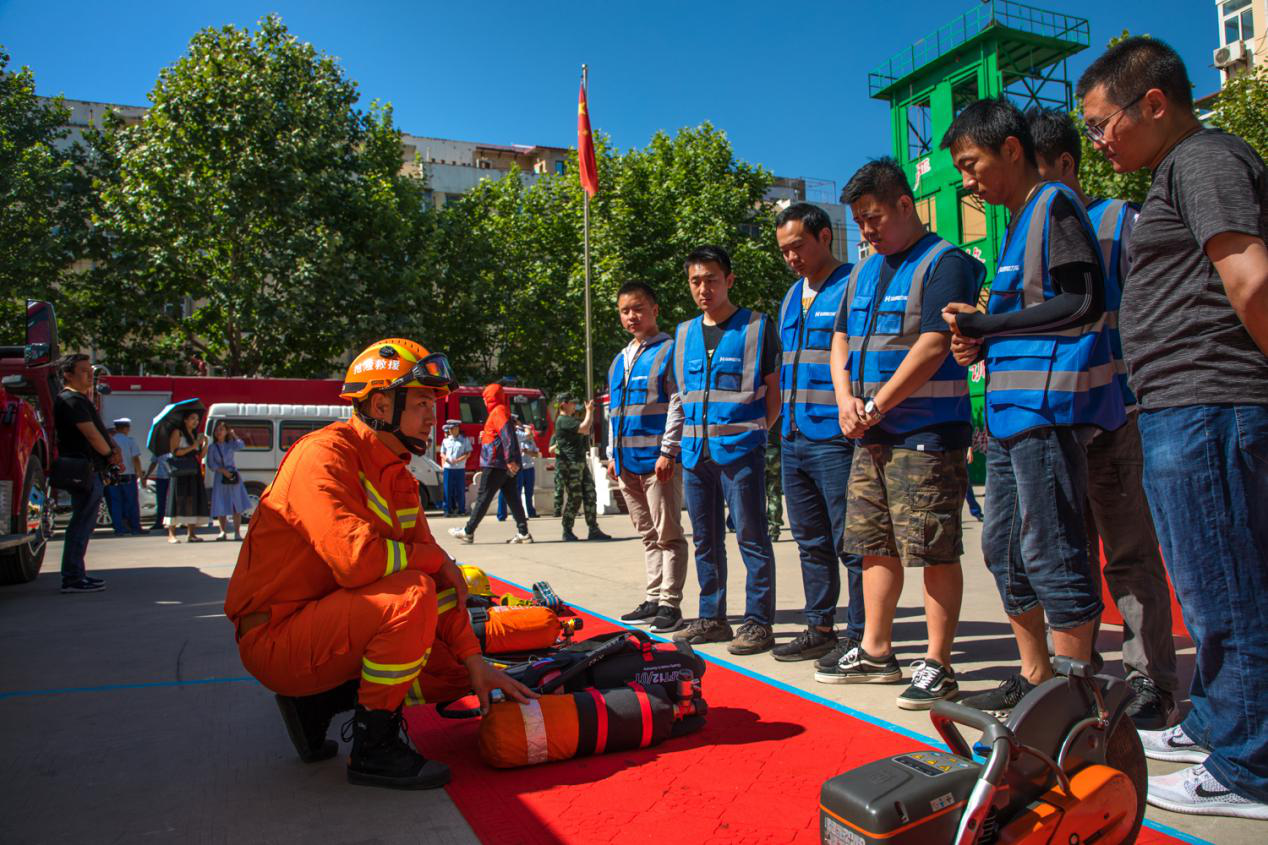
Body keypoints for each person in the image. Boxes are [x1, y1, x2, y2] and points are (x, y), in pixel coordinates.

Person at [1078, 38, 1268, 820]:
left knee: (1227, 591)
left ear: (1152, 103)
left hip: (1210, 403)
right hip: (1183, 409)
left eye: (1100, 123)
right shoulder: (1175, 171)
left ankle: (1250, 769)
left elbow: (1250, 274)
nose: (1097, 140)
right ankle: (1221, 726)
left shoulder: (1203, 159)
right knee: (1211, 581)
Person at [224, 338, 534, 789]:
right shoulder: (324, 456)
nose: (434, 414)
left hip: (327, 623)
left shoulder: (397, 475)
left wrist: (474, 660)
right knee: (410, 596)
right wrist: (434, 559)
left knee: (453, 668)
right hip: (276, 635)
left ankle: (317, 704)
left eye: (435, 401)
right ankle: (374, 746)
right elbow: (358, 562)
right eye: (423, 401)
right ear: (382, 402)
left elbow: (438, 578)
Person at [940, 97, 1126, 717]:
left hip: (1047, 411)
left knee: (1053, 546)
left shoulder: (1053, 203)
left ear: (1011, 150)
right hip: (1013, 416)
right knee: (1004, 548)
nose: (967, 181)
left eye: (972, 164)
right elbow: (1023, 320)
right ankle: (1037, 676)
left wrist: (989, 324)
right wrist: (979, 338)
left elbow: (1081, 301)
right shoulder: (1018, 222)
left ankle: (1075, 692)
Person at [1025, 106, 1180, 731]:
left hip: (1116, 416)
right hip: (1054, 424)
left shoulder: (1121, 222)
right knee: (1067, 557)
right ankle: (1079, 680)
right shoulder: (1028, 234)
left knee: (1130, 555)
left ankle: (1150, 682)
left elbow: (1157, 308)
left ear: (1066, 165)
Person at [819, 160, 984, 711]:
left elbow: (936, 342)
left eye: (873, 218)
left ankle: (938, 663)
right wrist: (847, 403)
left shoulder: (947, 263)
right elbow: (840, 337)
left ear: (904, 205)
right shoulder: (864, 271)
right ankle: (875, 650)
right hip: (871, 433)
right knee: (873, 545)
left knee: (934, 548)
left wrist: (875, 404)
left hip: (926, 433)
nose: (866, 231)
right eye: (859, 221)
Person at [767, 202, 866, 668]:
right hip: (793, 435)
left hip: (835, 437)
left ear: (825, 236)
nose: (792, 258)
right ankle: (819, 626)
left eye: (798, 247)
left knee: (851, 540)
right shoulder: (790, 296)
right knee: (809, 539)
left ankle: (861, 634)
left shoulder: (854, 285)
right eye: (784, 251)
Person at [669, 245, 781, 655]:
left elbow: (774, 392)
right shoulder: (682, 334)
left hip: (741, 453)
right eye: (696, 281)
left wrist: (754, 434)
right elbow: (682, 397)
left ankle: (757, 622)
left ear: (729, 280)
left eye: (711, 279)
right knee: (705, 539)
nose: (704, 288)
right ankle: (712, 617)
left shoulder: (756, 326)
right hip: (697, 454)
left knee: (752, 536)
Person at [607, 281, 689, 634]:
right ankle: (653, 597)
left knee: (668, 533)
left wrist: (668, 450)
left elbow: (678, 402)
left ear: (655, 309)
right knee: (647, 534)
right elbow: (615, 412)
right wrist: (612, 454)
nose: (631, 316)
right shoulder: (619, 359)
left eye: (638, 308)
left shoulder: (670, 350)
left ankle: (671, 603)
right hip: (626, 463)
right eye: (625, 311)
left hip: (658, 462)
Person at [52, 354, 119, 593]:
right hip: (85, 468)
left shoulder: (78, 399)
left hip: (89, 468)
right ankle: (72, 577)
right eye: (83, 370)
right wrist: (110, 453)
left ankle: (76, 573)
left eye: (90, 370)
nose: (89, 374)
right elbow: (91, 434)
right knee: (82, 523)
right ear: (67, 374)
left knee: (84, 523)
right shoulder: (71, 400)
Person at [447, 383, 533, 544]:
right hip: (502, 463)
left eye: (485, 398)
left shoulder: (497, 412)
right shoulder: (501, 410)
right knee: (512, 498)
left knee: (483, 497)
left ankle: (468, 531)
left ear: (489, 399)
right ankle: (523, 533)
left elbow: (507, 435)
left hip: (495, 463)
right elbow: (503, 435)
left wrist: (510, 459)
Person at [552, 394, 611, 542]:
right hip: (570, 464)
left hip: (579, 462)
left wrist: (589, 412)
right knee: (575, 497)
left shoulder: (570, 420)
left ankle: (593, 529)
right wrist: (589, 411)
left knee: (590, 494)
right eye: (572, 403)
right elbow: (584, 428)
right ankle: (567, 530)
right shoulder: (563, 420)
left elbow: (586, 428)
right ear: (563, 404)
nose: (575, 405)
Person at [165, 412, 210, 543]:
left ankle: (191, 533)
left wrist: (205, 443)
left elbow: (199, 455)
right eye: (192, 419)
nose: (195, 421)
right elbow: (174, 451)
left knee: (192, 499)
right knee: (177, 499)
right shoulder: (177, 432)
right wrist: (194, 445)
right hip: (180, 470)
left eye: (197, 419)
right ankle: (171, 534)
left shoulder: (195, 434)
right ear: (185, 420)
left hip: (193, 469)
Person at [207, 420, 251, 541]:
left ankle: (237, 532)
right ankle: (222, 531)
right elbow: (210, 464)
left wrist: (234, 434)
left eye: (221, 429)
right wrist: (222, 471)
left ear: (226, 431)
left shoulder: (231, 444)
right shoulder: (212, 447)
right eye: (217, 430)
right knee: (221, 503)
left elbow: (241, 445)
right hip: (220, 478)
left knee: (236, 505)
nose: (218, 432)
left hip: (233, 476)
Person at [106, 417, 144, 535]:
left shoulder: (110, 441)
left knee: (116, 502)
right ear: (126, 428)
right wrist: (140, 474)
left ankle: (119, 528)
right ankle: (135, 527)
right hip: (128, 475)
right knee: (132, 502)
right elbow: (135, 459)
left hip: (114, 476)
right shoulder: (130, 441)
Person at [497, 417, 540, 520]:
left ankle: (524, 513)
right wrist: (523, 425)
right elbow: (529, 433)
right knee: (508, 491)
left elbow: (535, 450)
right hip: (510, 467)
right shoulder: (512, 433)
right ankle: (503, 514)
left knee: (524, 492)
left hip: (522, 467)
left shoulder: (516, 433)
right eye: (514, 422)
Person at [439, 420, 471, 516]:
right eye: (450, 429)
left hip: (459, 468)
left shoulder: (464, 440)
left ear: (458, 429)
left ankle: (461, 510)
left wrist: (458, 460)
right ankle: (447, 510)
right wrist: (446, 459)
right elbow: (442, 453)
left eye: (454, 429)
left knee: (460, 490)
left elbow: (468, 453)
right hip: (448, 468)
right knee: (447, 490)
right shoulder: (445, 441)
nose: (452, 431)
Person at [143, 452, 169, 531]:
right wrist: (147, 475)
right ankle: (159, 522)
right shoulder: (158, 450)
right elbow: (153, 463)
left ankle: (176, 521)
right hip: (161, 477)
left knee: (174, 500)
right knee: (161, 501)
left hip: (173, 476)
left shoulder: (175, 447)